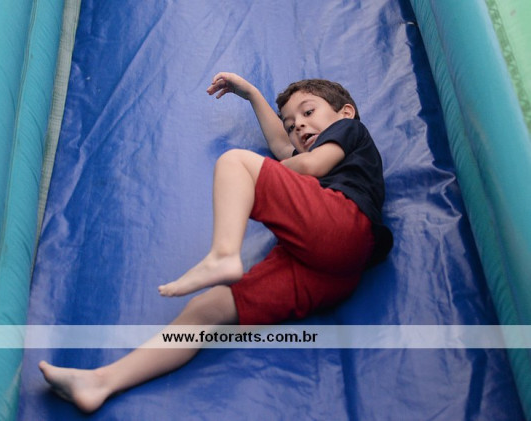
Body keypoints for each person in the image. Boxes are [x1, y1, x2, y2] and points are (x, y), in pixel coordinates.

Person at [38, 72, 393, 413]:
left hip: (344, 224)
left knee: (235, 161)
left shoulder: (350, 130)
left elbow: (310, 165)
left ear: (345, 112)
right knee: (208, 309)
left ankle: (223, 254)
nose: (298, 125)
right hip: (332, 272)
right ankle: (102, 382)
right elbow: (282, 148)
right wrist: (252, 94)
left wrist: (251, 177)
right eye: (290, 124)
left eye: (308, 112)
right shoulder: (303, 148)